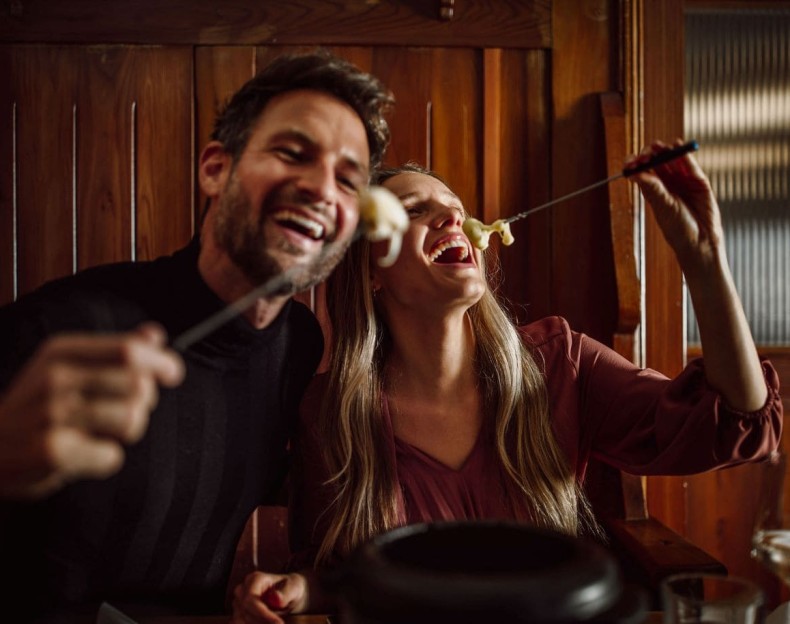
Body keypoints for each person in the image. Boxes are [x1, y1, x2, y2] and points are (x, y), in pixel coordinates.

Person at [230, 143, 783, 624]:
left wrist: (705, 259)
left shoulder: (560, 363)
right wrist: (297, 590)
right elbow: (350, 575)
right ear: (370, 272)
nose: (451, 220)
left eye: (457, 211)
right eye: (415, 212)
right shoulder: (332, 412)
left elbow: (738, 423)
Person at [0, 51, 394, 620]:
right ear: (216, 169)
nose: (321, 188)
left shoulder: (300, 344)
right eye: (292, 153)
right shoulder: (61, 324)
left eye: (348, 180)